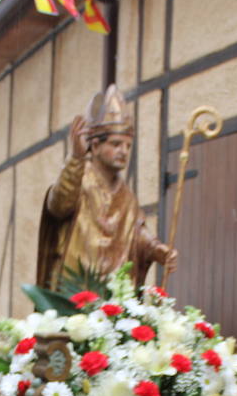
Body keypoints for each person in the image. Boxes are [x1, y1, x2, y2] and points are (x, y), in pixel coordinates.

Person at [36, 84, 178, 291]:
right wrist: (75, 158)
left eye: (128, 146)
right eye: (116, 144)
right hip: (75, 293)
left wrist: (158, 250)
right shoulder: (78, 179)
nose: (123, 151)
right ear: (95, 145)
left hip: (112, 296)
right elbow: (58, 205)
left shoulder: (127, 196)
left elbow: (137, 234)